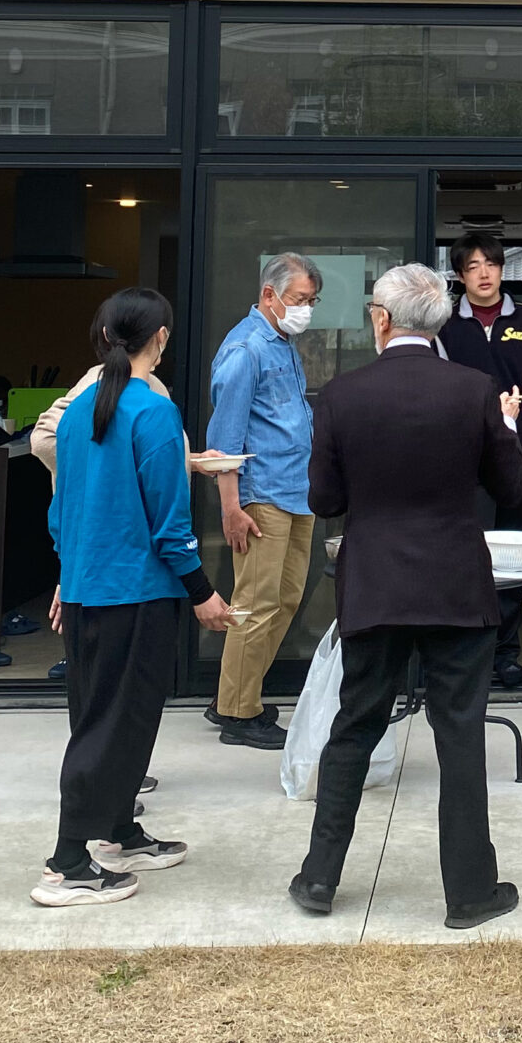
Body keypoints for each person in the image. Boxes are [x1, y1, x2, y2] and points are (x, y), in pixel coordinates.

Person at [291, 262, 522, 929]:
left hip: (375, 584)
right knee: (459, 736)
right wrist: (507, 427)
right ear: (439, 324)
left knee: (354, 728)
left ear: (381, 318)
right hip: (456, 584)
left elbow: (324, 499)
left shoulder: (342, 394)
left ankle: (319, 877)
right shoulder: (475, 389)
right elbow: (511, 490)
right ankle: (470, 893)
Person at [33, 287, 233, 908]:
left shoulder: (77, 410)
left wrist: (69, 573)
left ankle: (119, 831)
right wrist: (203, 592)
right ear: (161, 338)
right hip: (137, 594)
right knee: (111, 726)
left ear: (104, 337)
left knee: (114, 718)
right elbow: (170, 523)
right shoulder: (154, 412)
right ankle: (68, 863)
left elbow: (61, 511)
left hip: (90, 590)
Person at [435, 232, 522, 689]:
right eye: (473, 267)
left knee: (515, 554)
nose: (484, 273)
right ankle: (470, 651)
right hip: (466, 459)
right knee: (467, 553)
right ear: (460, 276)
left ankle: (506, 652)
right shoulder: (444, 324)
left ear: (502, 269)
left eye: (491, 264)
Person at [204, 252, 324, 750]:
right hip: (261, 495)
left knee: (287, 598)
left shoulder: (282, 343)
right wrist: (231, 508)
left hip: (296, 490)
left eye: (312, 301)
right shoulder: (245, 349)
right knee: (255, 604)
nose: (306, 310)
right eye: (300, 299)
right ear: (269, 294)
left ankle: (237, 693)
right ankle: (238, 712)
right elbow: (224, 441)